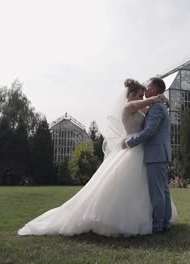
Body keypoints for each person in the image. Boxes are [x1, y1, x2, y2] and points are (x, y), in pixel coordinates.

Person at [17, 79, 177, 237]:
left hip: (142, 149)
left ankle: (159, 223)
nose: (143, 98)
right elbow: (141, 109)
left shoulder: (152, 108)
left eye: (146, 92)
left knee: (155, 190)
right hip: (136, 148)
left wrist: (159, 100)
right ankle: (157, 224)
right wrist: (157, 99)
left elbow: (149, 121)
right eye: (141, 95)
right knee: (149, 189)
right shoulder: (129, 106)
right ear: (132, 94)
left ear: (155, 89)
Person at [122, 77, 172, 234]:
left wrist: (130, 143)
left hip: (155, 153)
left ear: (155, 90)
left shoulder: (157, 108)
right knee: (163, 190)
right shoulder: (156, 106)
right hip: (159, 153)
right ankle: (165, 223)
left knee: (158, 191)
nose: (146, 89)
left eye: (148, 87)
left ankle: (158, 226)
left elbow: (149, 131)